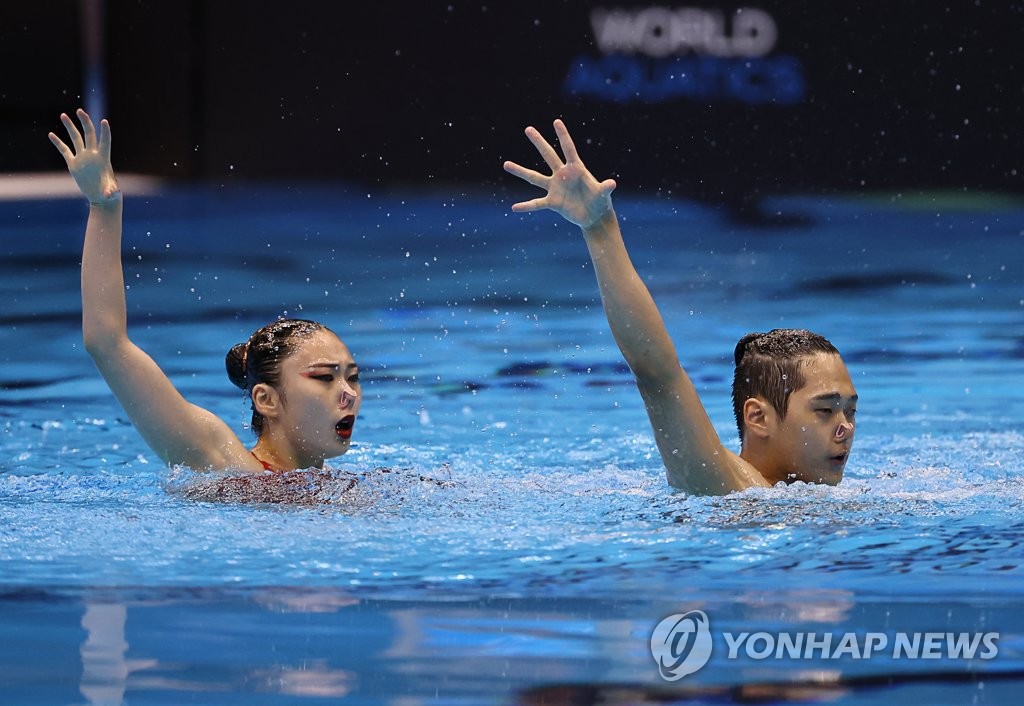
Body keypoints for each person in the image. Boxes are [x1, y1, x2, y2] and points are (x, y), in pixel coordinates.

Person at [503, 119, 858, 495]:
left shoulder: (807, 494)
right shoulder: (722, 484)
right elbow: (657, 374)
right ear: (758, 418)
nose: (846, 427)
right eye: (825, 410)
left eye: (850, 410)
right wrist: (599, 227)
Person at [49, 109, 361, 478]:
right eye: (325, 377)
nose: (349, 394)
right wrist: (104, 208)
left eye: (352, 377)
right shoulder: (225, 465)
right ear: (267, 400)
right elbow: (106, 342)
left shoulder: (348, 492)